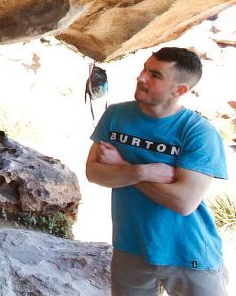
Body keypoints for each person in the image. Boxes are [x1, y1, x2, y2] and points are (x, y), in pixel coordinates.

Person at [86, 47, 229, 296]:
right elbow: (94, 173)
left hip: (188, 252)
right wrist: (143, 171)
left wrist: (123, 167)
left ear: (180, 90)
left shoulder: (197, 132)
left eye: (155, 75)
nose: (141, 77)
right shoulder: (116, 115)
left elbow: (184, 202)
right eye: (144, 69)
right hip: (130, 247)